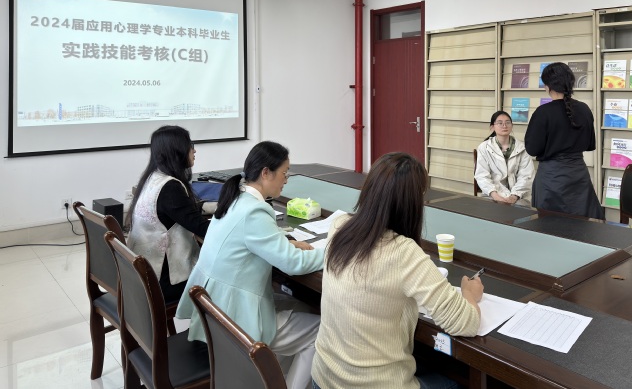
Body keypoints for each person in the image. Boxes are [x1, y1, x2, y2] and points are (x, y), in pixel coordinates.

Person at [311, 152, 483, 389]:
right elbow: (466, 323)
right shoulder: (403, 252)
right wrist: (470, 295)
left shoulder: (339, 226)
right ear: (412, 202)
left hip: (323, 378)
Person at [176, 141, 324, 389]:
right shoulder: (255, 211)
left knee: (302, 307)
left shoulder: (236, 198)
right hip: (235, 317)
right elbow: (293, 263)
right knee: (321, 330)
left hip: (217, 309)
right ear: (266, 173)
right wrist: (332, 252)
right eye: (285, 173)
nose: (286, 180)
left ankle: (272, 380)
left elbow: (250, 237)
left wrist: (284, 241)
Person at [126, 125, 209, 303]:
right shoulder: (170, 188)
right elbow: (202, 228)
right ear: (177, 151)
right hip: (163, 281)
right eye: (190, 145)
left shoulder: (153, 177)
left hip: (142, 272)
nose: (194, 150)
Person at [524, 62, 604, 219]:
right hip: (578, 175)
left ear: (548, 86)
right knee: (582, 224)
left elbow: (532, 149)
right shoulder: (584, 109)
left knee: (549, 225)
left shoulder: (543, 112)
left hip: (551, 178)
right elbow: (590, 144)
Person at [475, 111, 534, 206]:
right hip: (492, 195)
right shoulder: (484, 147)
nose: (504, 126)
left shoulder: (522, 148)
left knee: (520, 211)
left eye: (507, 122)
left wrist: (514, 196)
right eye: (500, 123)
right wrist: (495, 196)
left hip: (519, 196)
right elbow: (482, 176)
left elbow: (526, 176)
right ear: (492, 127)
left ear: (512, 126)